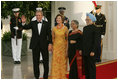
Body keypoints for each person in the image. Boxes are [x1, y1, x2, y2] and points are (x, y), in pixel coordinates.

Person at [21, 10, 52, 79]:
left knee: (45, 61)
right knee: (35, 61)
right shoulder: (32, 23)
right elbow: (26, 27)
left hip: (44, 45)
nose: (38, 17)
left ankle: (45, 76)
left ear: (42, 16)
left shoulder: (47, 24)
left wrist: (50, 43)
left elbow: (49, 35)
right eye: (37, 15)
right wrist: (23, 23)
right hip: (35, 45)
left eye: (39, 15)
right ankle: (36, 76)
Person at [51, 14, 68, 79]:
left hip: (63, 48)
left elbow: (67, 39)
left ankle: (62, 77)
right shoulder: (54, 28)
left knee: (62, 63)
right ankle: (55, 77)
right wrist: (52, 47)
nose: (58, 19)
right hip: (56, 48)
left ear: (62, 20)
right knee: (55, 62)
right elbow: (53, 39)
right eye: (57, 18)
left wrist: (67, 49)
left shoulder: (65, 28)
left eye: (59, 18)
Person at [82, 13, 99, 79]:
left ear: (92, 20)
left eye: (87, 19)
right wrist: (82, 49)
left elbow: (96, 41)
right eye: (86, 19)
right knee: (86, 67)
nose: (86, 20)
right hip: (85, 51)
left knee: (91, 67)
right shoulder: (85, 28)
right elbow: (83, 40)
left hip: (91, 52)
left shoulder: (95, 28)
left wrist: (93, 51)